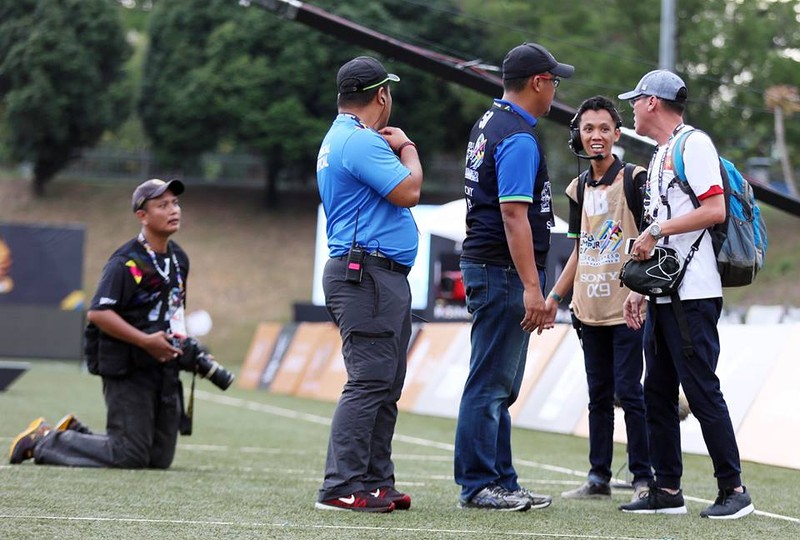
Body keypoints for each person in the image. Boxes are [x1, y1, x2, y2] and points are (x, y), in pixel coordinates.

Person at [617, 70, 754, 519]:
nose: (631, 108)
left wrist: (655, 229)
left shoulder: (693, 144)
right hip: (666, 292)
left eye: (636, 100)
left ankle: (734, 489)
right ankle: (668, 489)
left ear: (653, 103)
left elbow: (713, 210)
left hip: (693, 293)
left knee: (700, 390)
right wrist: (640, 290)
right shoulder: (661, 152)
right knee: (655, 391)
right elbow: (667, 230)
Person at [454, 42, 572, 512]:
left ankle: (501, 479)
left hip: (489, 266)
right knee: (490, 383)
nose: (555, 90)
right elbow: (513, 216)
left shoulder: (488, 123)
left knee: (498, 383)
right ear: (539, 82)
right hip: (500, 269)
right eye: (554, 81)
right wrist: (532, 287)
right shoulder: (519, 136)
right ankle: (480, 484)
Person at [9, 178, 191, 469]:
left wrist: (183, 344)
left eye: (175, 203)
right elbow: (98, 313)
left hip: (160, 365)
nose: (174, 210)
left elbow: (173, 309)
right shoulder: (126, 262)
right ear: (142, 216)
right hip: (127, 365)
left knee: (158, 460)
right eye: (163, 205)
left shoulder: (178, 258)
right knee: (129, 455)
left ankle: (75, 433)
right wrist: (145, 341)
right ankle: (44, 440)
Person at [314, 55, 423, 513]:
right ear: (382, 96)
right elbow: (409, 191)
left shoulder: (339, 138)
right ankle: (342, 485)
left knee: (385, 382)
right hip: (367, 275)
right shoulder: (361, 142)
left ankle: (376, 481)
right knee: (370, 380)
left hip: (372, 275)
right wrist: (409, 148)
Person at [544, 96, 653, 503]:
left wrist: (642, 294)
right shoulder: (577, 188)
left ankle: (644, 477)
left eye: (604, 128)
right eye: (588, 129)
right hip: (586, 310)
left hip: (626, 307)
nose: (596, 136)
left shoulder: (635, 180)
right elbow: (577, 250)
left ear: (616, 135)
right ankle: (598, 477)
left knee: (630, 391)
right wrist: (556, 296)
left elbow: (650, 240)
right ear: (578, 135)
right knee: (598, 395)